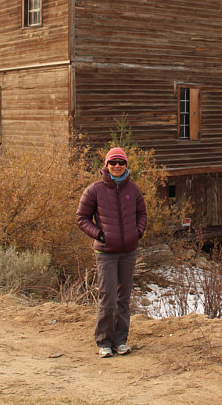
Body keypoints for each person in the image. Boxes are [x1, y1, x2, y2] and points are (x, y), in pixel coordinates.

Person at [76, 146, 147, 358]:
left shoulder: (133, 189)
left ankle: (120, 341)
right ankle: (104, 342)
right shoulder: (94, 190)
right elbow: (82, 218)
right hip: (106, 252)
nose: (117, 166)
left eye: (121, 162)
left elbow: (142, 213)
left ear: (126, 165)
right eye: (113, 163)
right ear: (106, 165)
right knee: (107, 298)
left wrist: (138, 232)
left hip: (128, 252)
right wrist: (99, 235)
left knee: (123, 298)